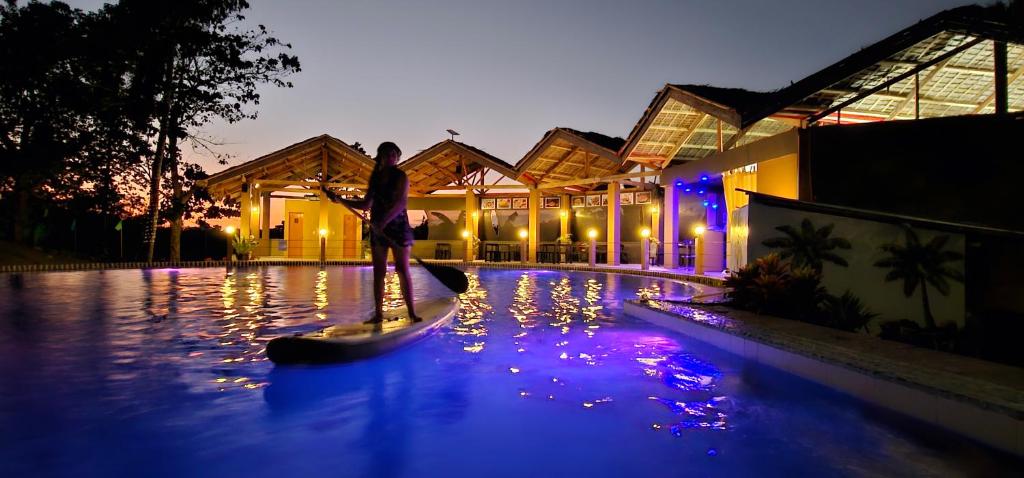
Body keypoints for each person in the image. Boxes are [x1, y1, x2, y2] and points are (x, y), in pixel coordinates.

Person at [324, 142, 419, 323]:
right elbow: (366, 204)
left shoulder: (401, 176)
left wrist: (383, 221)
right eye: (387, 153)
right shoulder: (375, 178)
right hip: (378, 228)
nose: (391, 156)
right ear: (381, 156)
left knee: (402, 269)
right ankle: (378, 314)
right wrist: (341, 201)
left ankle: (412, 313)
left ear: (397, 157)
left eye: (394, 154)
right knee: (379, 272)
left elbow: (400, 204)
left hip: (398, 228)